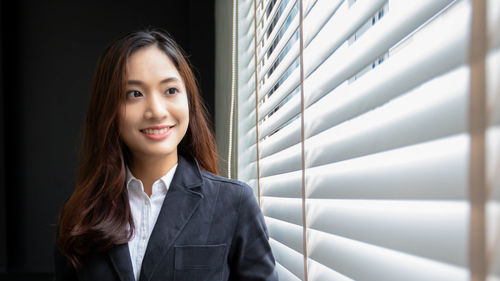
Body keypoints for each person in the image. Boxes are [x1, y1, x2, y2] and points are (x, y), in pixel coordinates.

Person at [54, 28, 278, 281]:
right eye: (134, 94)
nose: (157, 111)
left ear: (189, 100)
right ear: (109, 109)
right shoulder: (81, 213)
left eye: (170, 90)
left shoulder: (234, 203)